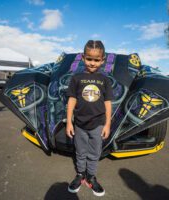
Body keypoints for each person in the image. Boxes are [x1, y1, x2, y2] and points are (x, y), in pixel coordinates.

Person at [66, 40, 113, 196]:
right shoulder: (76, 78)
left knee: (94, 153)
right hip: (79, 124)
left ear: (103, 60)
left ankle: (91, 177)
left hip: (98, 125)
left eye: (96, 60)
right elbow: (71, 100)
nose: (92, 63)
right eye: (89, 59)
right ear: (82, 57)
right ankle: (80, 175)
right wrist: (69, 122)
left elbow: (107, 103)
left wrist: (107, 124)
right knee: (80, 152)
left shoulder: (105, 80)